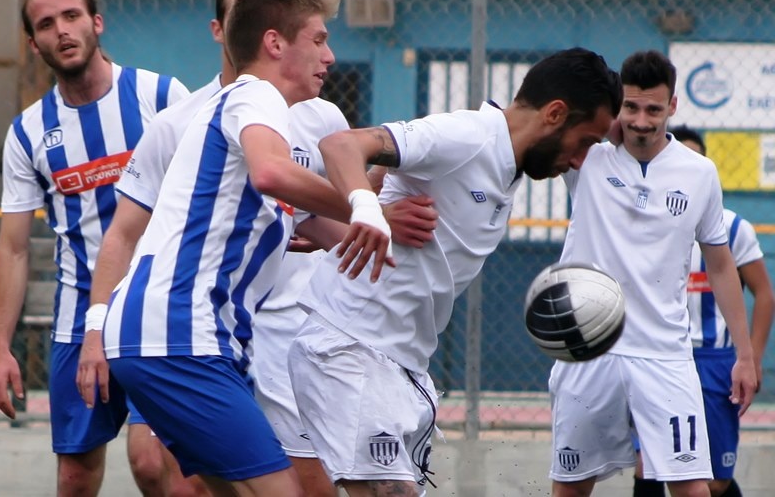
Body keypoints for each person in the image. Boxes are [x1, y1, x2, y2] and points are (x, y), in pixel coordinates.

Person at [75, 0, 436, 496]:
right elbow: (272, 172)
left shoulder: (259, 112)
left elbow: (300, 210)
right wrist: (362, 201)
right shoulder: (255, 94)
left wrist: (373, 212)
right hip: (178, 335)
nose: (330, 56)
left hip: (172, 335)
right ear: (274, 43)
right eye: (319, 39)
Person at [286, 47, 623, 497]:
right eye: (584, 141)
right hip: (347, 346)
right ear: (555, 113)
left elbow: (385, 182)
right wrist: (366, 212)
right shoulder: (468, 136)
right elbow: (342, 145)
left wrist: (360, 214)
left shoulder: (510, 164)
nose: (581, 159)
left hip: (403, 363)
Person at [0, 0, 189, 497]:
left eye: (72, 16)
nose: (62, 30)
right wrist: (0, 348)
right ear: (34, 44)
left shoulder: (162, 97)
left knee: (153, 462)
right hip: (78, 317)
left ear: (96, 22)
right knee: (74, 477)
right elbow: (11, 246)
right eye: (46, 24)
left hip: (159, 310)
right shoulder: (29, 131)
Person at [547, 51, 759, 497]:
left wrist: (744, 354)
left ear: (673, 107)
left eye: (653, 109)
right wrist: (604, 123)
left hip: (664, 354)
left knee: (693, 488)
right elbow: (539, 128)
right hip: (589, 350)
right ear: (617, 106)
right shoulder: (588, 157)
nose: (641, 121)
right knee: (571, 485)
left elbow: (721, 266)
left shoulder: (699, 173)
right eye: (631, 107)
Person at [632, 126, 775, 497]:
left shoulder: (732, 227)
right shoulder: (643, 220)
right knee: (648, 465)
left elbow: (764, 293)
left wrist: (752, 358)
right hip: (658, 353)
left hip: (714, 360)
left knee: (714, 479)